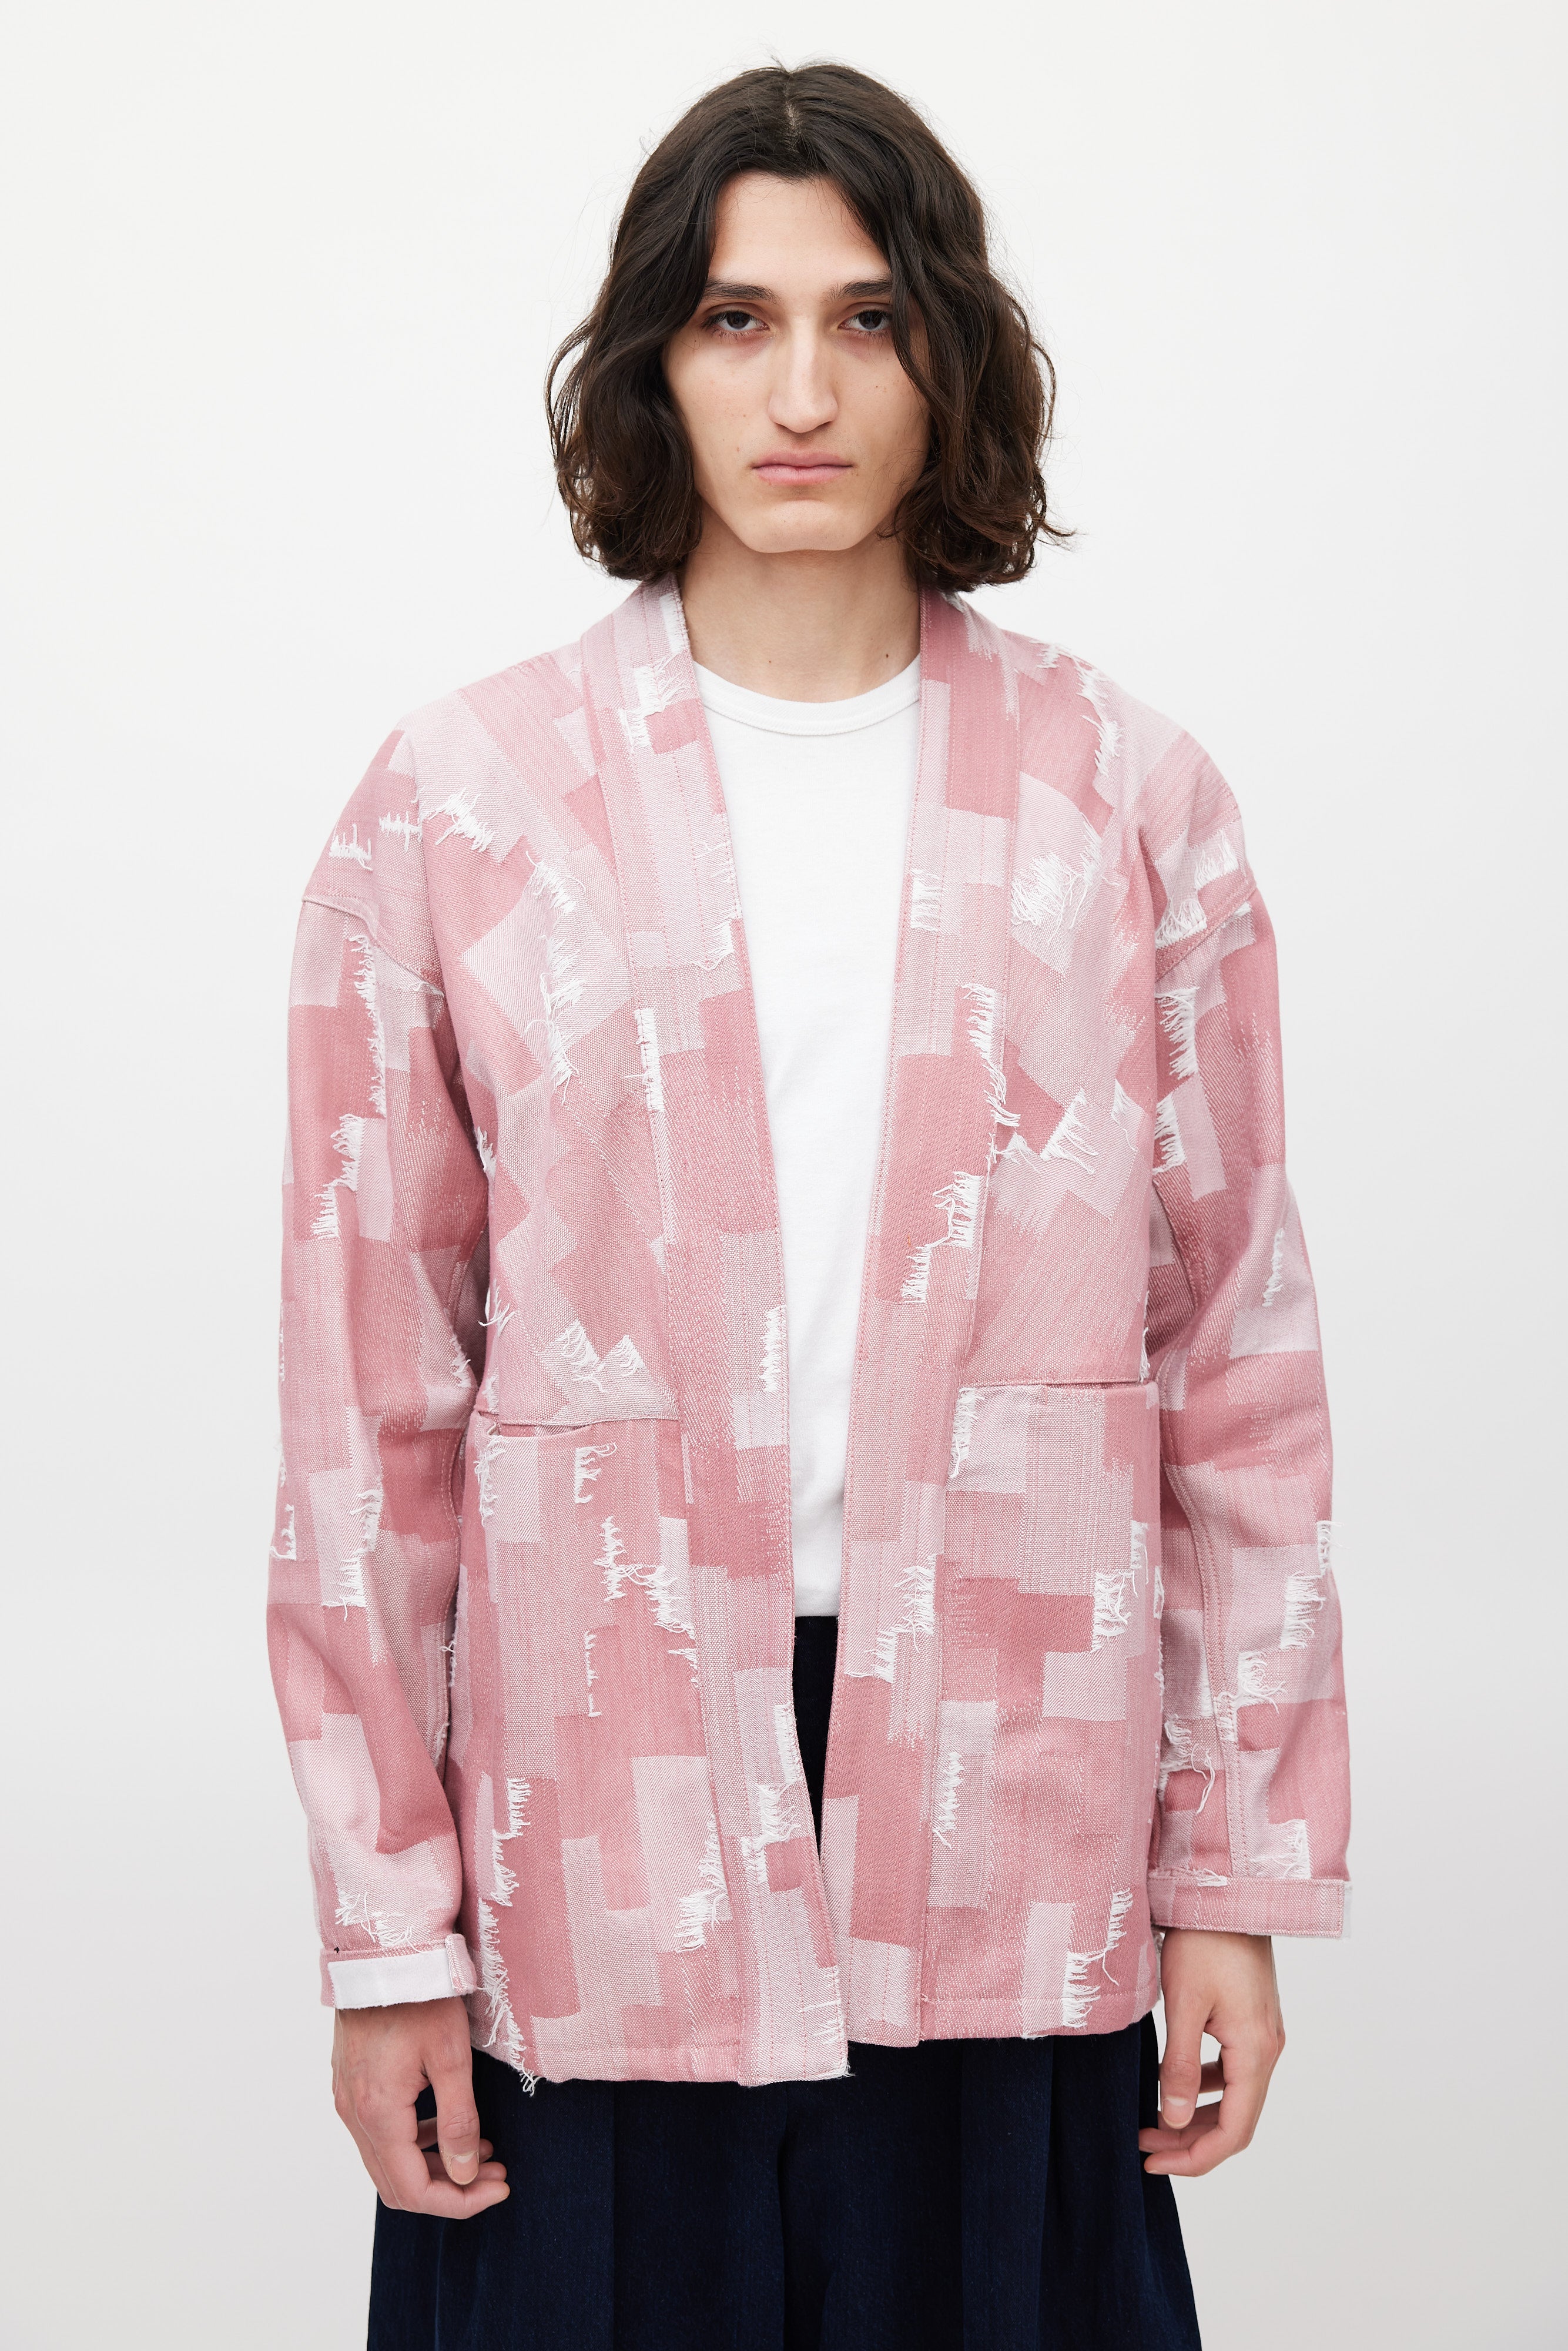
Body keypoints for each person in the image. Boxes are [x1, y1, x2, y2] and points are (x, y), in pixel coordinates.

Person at [267, 60, 1350, 2351]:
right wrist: (386, 1937)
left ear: (949, 355)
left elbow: (1235, 1360)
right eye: (734, 321)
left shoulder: (1123, 800)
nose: (800, 391)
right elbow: (369, 1411)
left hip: (1010, 1803)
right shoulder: (462, 807)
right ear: (650, 365)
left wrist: (1229, 1875)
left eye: (866, 319)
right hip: (593, 1813)